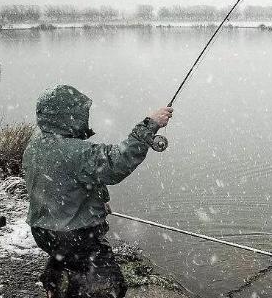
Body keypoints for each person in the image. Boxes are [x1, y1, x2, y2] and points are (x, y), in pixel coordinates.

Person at [23, 85, 173, 297]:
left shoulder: (36, 145)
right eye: (81, 113)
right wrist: (149, 125)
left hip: (44, 232)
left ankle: (57, 285)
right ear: (69, 116)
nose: (85, 117)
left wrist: (96, 200)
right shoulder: (76, 151)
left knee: (65, 263)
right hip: (75, 236)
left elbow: (62, 182)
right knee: (109, 287)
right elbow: (116, 162)